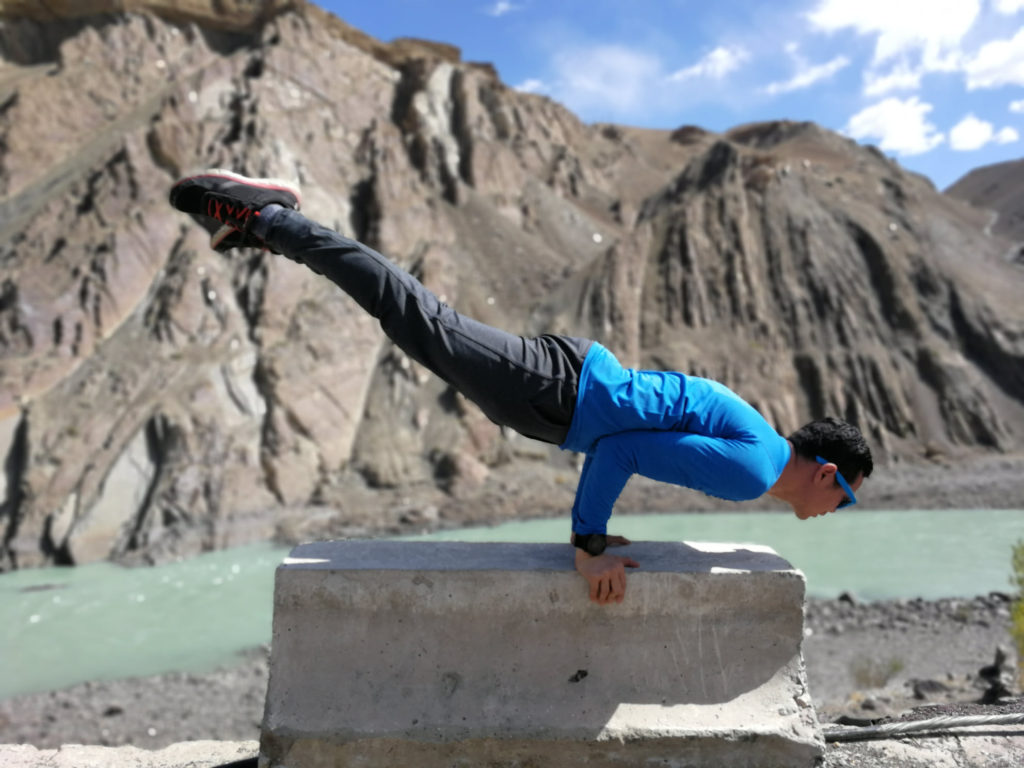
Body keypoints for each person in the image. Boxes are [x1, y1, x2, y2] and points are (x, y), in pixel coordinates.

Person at [169, 170, 873, 605]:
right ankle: (268, 215)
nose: (837, 509)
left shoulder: (759, 448)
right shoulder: (754, 470)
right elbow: (621, 452)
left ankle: (274, 227)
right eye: (845, 498)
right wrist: (588, 546)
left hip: (563, 390)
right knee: (409, 311)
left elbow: (633, 440)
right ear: (829, 474)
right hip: (560, 391)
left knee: (413, 321)